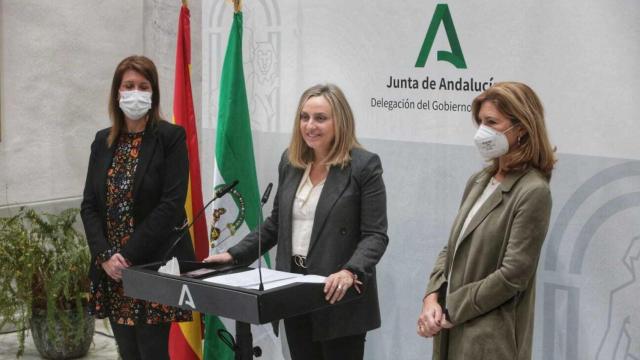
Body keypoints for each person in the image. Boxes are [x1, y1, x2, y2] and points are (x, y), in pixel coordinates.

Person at [204, 83, 389, 360]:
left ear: (340, 121)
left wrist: (350, 272)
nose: (310, 125)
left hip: (337, 293)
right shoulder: (291, 163)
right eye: (304, 117)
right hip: (293, 290)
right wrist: (233, 254)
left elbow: (375, 234)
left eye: (320, 118)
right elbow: (275, 225)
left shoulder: (363, 166)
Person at [416, 82, 556, 360]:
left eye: (492, 122)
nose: (482, 132)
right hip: (451, 330)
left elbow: (513, 275)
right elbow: (451, 248)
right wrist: (432, 297)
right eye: (480, 122)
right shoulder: (479, 181)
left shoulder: (533, 191)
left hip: (490, 341)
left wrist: (452, 307)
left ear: (522, 128)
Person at [81, 55, 195, 360]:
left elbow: (171, 205)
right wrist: (106, 256)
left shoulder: (170, 138)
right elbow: (89, 205)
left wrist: (127, 256)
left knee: (152, 351)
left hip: (152, 267)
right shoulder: (102, 141)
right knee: (128, 351)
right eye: (128, 85)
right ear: (117, 93)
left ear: (153, 93)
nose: (135, 92)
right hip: (112, 271)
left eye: (143, 86)